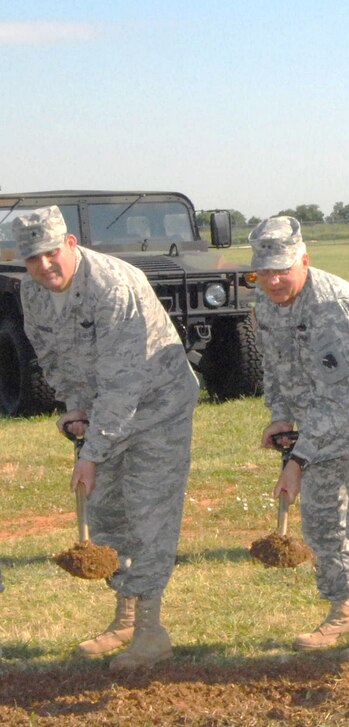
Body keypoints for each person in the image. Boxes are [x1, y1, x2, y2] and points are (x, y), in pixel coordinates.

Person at [15, 205, 198, 670]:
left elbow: (123, 382)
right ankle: (125, 616)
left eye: (52, 253)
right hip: (103, 408)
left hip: (158, 405)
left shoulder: (113, 285)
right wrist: (73, 406)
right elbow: (52, 356)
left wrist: (91, 453)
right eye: (33, 258)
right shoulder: (32, 293)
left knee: (149, 512)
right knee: (107, 512)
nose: (44, 266)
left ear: (71, 244)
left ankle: (152, 630)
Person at [251, 216, 349, 663]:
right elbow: (275, 367)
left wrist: (296, 460)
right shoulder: (266, 304)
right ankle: (345, 609)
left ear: (304, 260)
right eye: (264, 272)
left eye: (282, 269)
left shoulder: (332, 307)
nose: (274, 280)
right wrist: (281, 416)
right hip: (320, 424)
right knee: (322, 521)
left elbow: (336, 400)